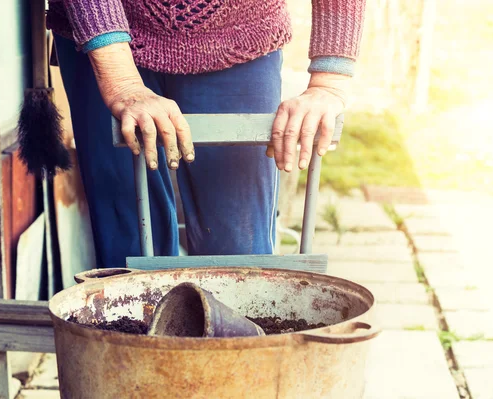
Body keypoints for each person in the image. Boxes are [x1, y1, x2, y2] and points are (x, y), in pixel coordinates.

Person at [46, 0, 366, 267]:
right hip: (99, 34)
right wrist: (121, 82)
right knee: (127, 245)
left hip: (240, 34)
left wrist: (330, 81)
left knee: (240, 253)